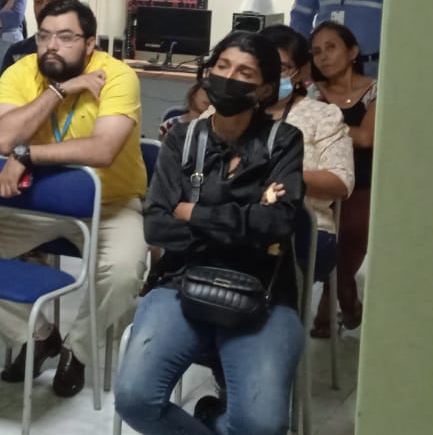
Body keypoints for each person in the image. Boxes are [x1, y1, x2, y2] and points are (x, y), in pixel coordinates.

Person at [114, 31, 306, 435]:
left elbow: (278, 224)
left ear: (264, 89)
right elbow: (158, 225)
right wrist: (246, 224)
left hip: (263, 291)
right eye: (222, 66)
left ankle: (215, 419)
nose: (228, 78)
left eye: (245, 73)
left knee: (261, 426)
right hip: (181, 281)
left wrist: (193, 213)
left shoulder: (284, 141)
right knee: (135, 400)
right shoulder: (182, 139)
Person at [0, 0, 148, 398]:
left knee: (123, 272)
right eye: (44, 36)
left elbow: (102, 149)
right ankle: (37, 336)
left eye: (66, 37)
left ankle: (77, 349)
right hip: (40, 200)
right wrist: (58, 90)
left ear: (90, 43)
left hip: (110, 204)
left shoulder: (117, 76)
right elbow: (3, 138)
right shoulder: (21, 71)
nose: (52, 45)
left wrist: (27, 154)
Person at [260, 25, 354, 338]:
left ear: (299, 72)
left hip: (305, 231)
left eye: (281, 67)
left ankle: (276, 341)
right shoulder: (232, 110)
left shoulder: (322, 117)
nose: (269, 75)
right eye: (261, 64)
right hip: (236, 222)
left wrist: (280, 175)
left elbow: (340, 182)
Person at [309, 21, 376, 333]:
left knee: (351, 236)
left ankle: (335, 297)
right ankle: (343, 300)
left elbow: (366, 138)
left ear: (353, 52)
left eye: (331, 47)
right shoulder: (312, 92)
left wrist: (324, 126)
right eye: (316, 51)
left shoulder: (375, 90)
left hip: (362, 182)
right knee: (316, 236)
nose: (323, 56)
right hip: (319, 179)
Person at [0, 0, 72, 76]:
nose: (44, 6)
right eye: (38, 1)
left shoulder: (80, 48)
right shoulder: (18, 51)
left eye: (52, 0)